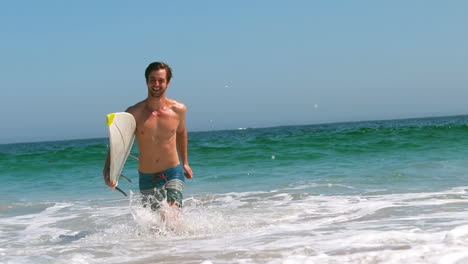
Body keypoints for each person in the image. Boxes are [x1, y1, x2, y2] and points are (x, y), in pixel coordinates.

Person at [103, 62, 193, 210]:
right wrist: (108, 173)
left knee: (171, 215)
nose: (156, 84)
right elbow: (117, 143)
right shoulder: (133, 113)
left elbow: (181, 132)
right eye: (152, 80)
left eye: (161, 80)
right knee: (154, 226)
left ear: (168, 83)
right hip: (147, 176)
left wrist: (185, 163)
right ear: (146, 81)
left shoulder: (178, 110)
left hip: (172, 171)